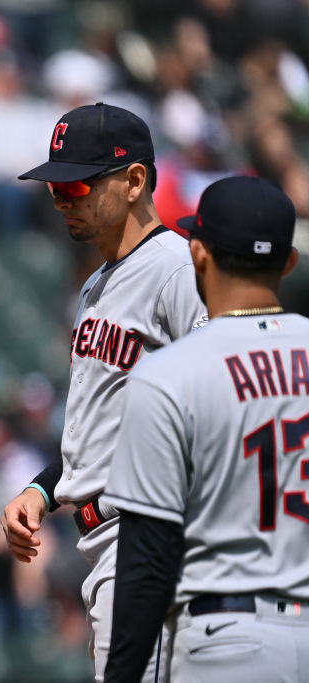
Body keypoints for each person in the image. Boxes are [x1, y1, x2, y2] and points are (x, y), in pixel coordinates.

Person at [0, 102, 208, 682]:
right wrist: (44, 490)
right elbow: (100, 421)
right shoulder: (95, 283)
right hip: (101, 537)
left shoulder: (177, 270)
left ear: (135, 180)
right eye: (55, 187)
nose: (62, 199)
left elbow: (218, 406)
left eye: (76, 184)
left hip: (153, 534)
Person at [102, 176, 309, 683]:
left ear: (198, 252)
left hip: (229, 643)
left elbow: (147, 561)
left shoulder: (170, 372)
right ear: (287, 263)